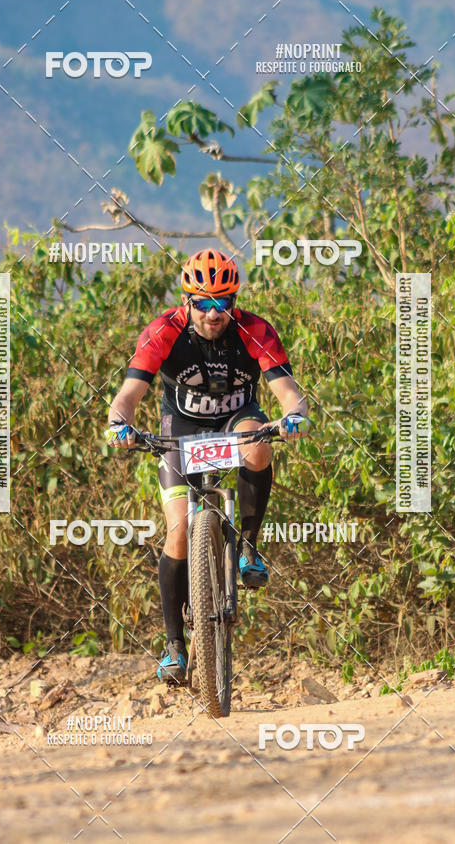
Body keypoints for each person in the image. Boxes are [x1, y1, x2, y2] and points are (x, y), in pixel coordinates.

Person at [106, 249, 308, 684]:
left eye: (223, 303)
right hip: (180, 428)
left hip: (236, 421)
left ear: (234, 301)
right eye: (203, 303)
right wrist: (119, 422)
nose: (214, 313)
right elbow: (129, 393)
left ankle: (249, 547)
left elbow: (288, 390)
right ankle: (175, 646)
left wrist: (294, 415)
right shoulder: (164, 330)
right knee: (178, 531)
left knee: (259, 442)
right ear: (187, 301)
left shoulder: (254, 329)